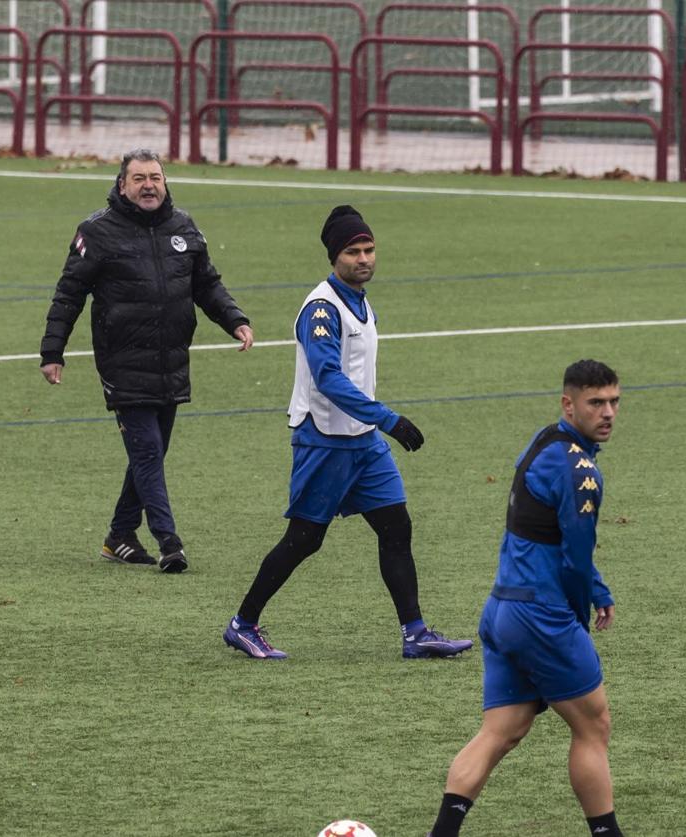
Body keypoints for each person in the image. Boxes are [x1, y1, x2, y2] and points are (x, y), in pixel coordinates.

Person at [222, 205, 471, 661]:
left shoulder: (360, 300)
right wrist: (388, 419)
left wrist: (375, 425)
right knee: (304, 539)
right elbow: (329, 379)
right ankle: (243, 623)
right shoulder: (322, 308)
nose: (363, 258)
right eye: (353, 251)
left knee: (396, 526)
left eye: (369, 249)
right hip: (325, 441)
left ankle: (415, 632)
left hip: (364, 443)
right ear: (334, 256)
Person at [429, 360, 623, 837]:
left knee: (502, 731)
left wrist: (597, 589)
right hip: (542, 614)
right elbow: (575, 560)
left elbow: (546, 534)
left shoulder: (543, 442)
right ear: (569, 404)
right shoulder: (582, 472)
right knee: (593, 726)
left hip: (501, 609)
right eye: (596, 403)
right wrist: (580, 612)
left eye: (614, 401)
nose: (608, 413)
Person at [39, 148, 253, 574]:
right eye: (139, 178)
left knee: (149, 453)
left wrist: (235, 320)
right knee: (149, 451)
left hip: (171, 359)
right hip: (122, 361)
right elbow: (69, 293)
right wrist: (52, 350)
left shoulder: (183, 226)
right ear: (122, 185)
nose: (149, 185)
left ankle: (119, 534)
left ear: (165, 182)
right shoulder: (96, 232)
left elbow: (206, 284)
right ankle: (169, 541)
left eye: (155, 177)